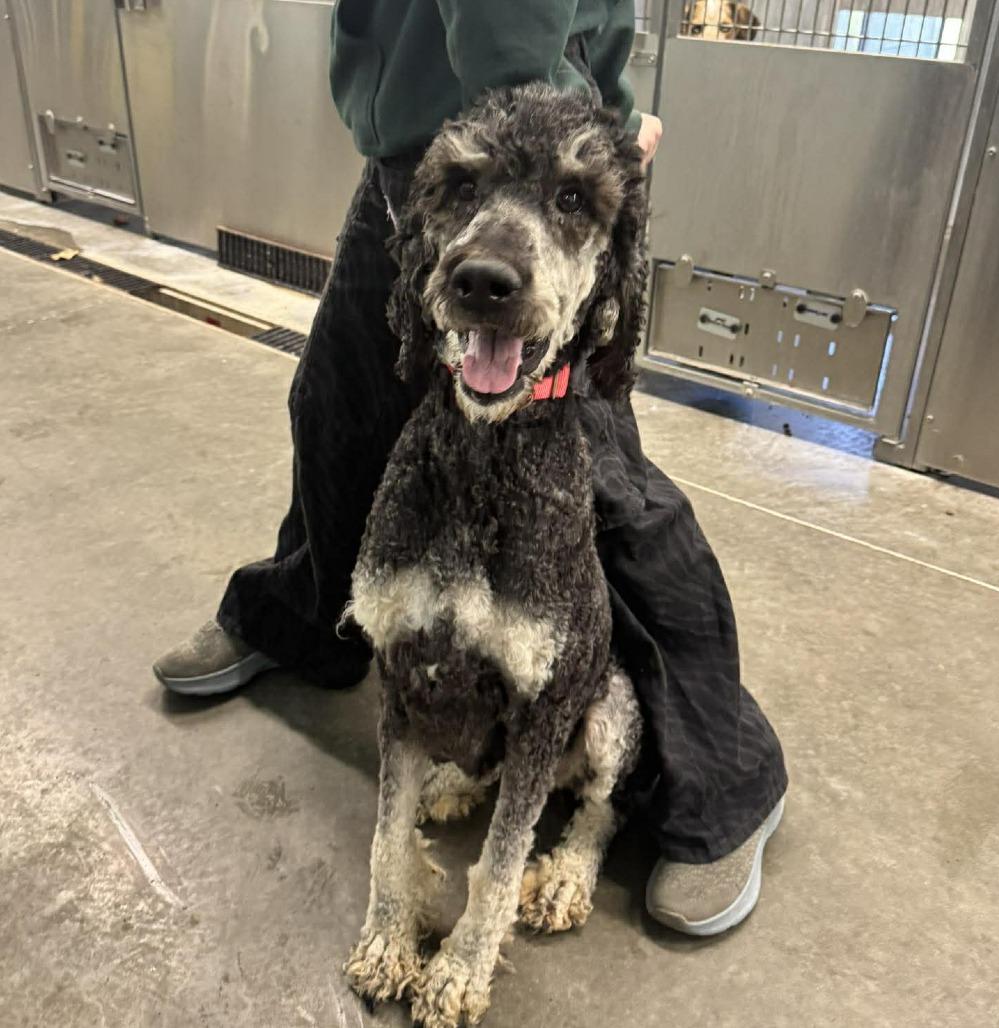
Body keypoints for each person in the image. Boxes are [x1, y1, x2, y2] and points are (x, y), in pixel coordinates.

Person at [153, 0, 787, 937]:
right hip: (416, 146)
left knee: (600, 480)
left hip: (528, 121)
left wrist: (587, 129)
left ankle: (723, 790)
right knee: (337, 405)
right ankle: (304, 619)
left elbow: (510, 26)